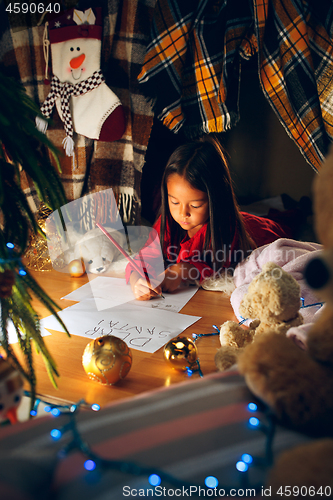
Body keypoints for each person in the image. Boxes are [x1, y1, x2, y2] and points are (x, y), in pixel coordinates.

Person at [127, 135, 291, 300]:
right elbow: (144, 257)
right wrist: (137, 279)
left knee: (287, 222)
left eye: (196, 205)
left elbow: (222, 267)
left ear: (216, 199)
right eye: (174, 202)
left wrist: (182, 269)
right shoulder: (168, 221)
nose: (183, 213)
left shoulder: (225, 228)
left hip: (258, 229)